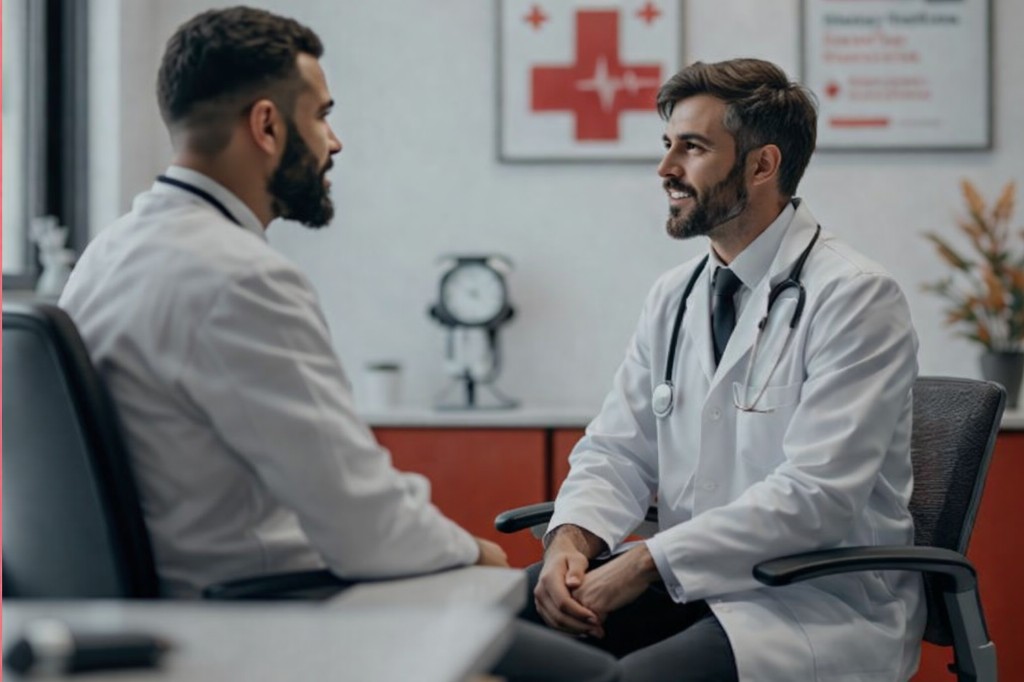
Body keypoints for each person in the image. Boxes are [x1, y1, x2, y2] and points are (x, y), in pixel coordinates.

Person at [59, 7, 618, 681]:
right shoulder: (239, 277)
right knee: (596, 670)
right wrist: (477, 551)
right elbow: (367, 527)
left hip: (172, 610)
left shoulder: (109, 253)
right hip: (267, 618)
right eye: (321, 115)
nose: (336, 141)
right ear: (267, 125)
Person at [523, 58, 925, 682]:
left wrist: (641, 564)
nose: (665, 170)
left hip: (808, 603)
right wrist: (570, 543)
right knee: (497, 624)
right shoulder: (673, 295)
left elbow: (817, 497)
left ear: (763, 165)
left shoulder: (855, 296)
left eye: (693, 148)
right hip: (694, 584)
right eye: (667, 146)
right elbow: (616, 450)